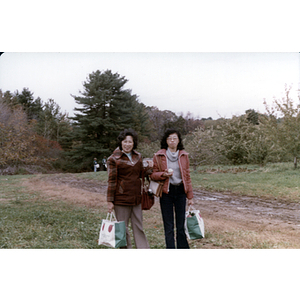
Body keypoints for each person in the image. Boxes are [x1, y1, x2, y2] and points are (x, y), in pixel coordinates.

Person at [106, 128, 153, 249]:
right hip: (121, 199)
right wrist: (110, 201)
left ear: (134, 143)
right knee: (123, 229)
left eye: (130, 142)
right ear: (121, 142)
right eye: (125, 141)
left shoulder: (138, 156)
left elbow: (141, 173)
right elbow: (111, 181)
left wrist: (150, 167)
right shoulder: (113, 159)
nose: (127, 144)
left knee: (139, 226)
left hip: (137, 198)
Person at [150, 128, 194, 249]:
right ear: (166, 141)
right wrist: (163, 175)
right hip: (166, 192)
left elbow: (187, 176)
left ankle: (182, 248)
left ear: (179, 140)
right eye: (169, 138)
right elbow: (153, 175)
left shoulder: (184, 155)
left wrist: (190, 196)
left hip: (180, 192)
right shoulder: (158, 155)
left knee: (180, 225)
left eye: (175, 138)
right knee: (168, 225)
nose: (172, 140)